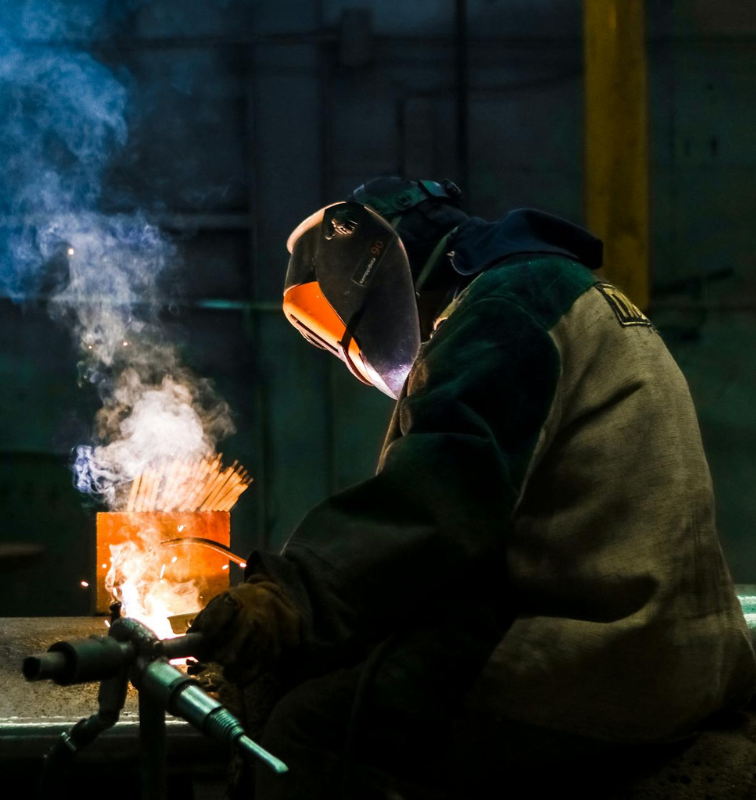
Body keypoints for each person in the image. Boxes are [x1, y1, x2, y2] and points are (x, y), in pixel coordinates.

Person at [191, 178, 756, 799]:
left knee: (309, 730)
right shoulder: (550, 290)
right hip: (672, 644)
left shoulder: (505, 309)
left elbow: (439, 500)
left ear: (389, 261)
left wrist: (293, 596)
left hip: (604, 655)